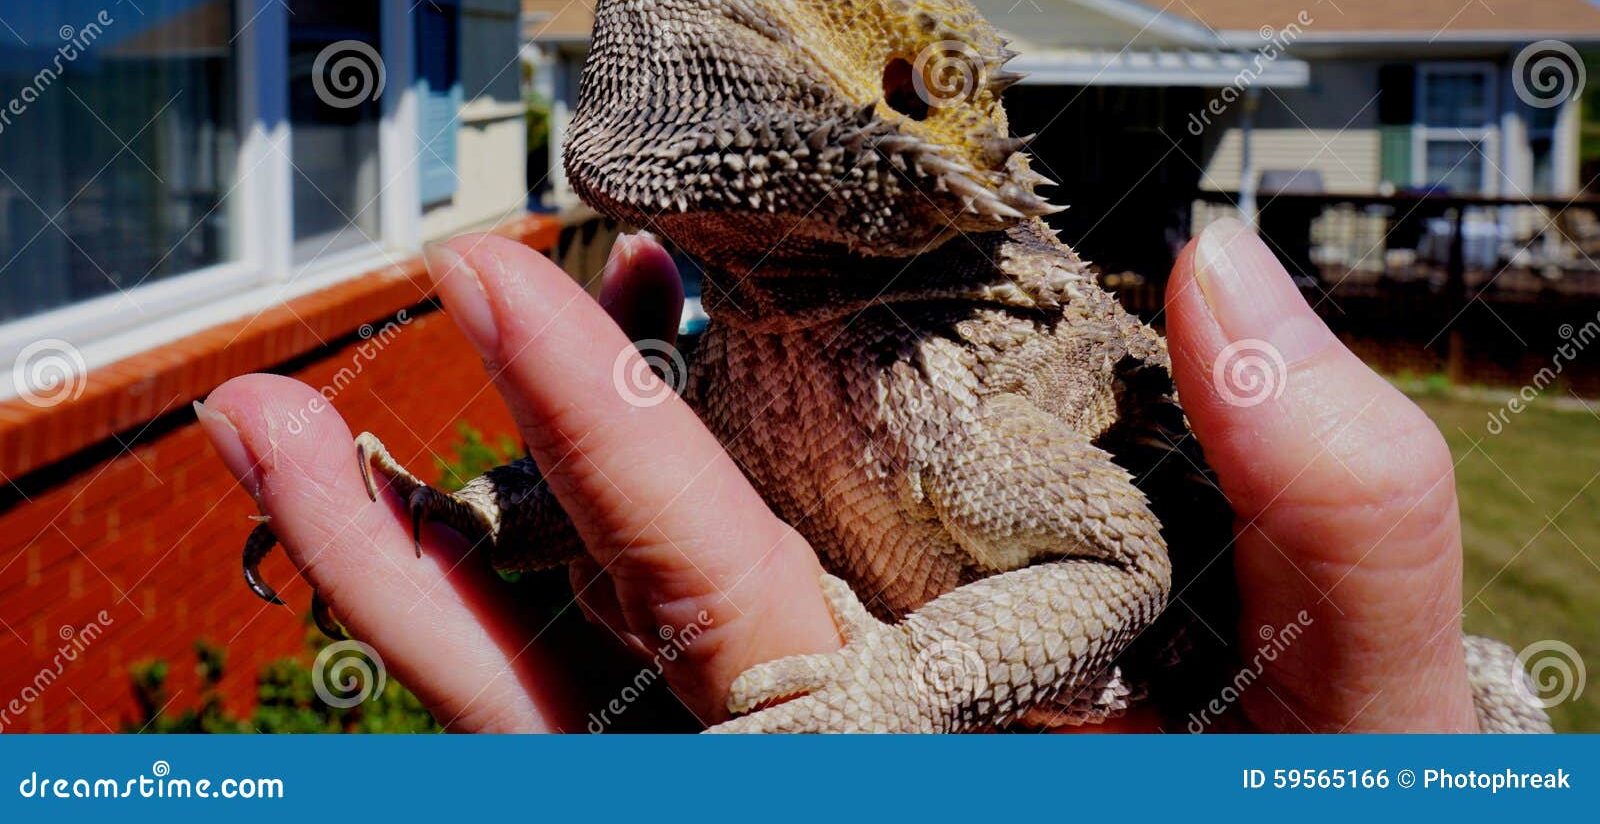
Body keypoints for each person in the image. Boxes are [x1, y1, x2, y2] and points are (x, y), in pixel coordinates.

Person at [194, 218, 1482, 731]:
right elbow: (689, 478)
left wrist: (902, 691)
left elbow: (1121, 560)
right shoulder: (738, 351)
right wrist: (473, 515)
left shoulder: (981, 354)